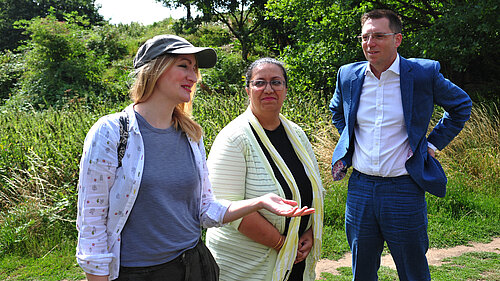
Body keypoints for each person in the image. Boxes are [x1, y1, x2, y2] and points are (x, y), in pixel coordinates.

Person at [75, 35, 315, 281]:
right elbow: (91, 224)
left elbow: (204, 210)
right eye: (183, 65)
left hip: (195, 265)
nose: (193, 76)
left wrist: (260, 202)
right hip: (139, 272)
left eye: (195, 68)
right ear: (154, 69)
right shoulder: (111, 132)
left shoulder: (191, 134)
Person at [329, 9, 472, 281]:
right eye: (365, 37)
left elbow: (461, 106)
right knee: (361, 272)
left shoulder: (422, 74)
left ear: (397, 39)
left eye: (379, 36)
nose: (370, 43)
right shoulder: (348, 75)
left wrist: (432, 144)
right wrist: (349, 139)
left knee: (413, 271)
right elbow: (337, 110)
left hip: (404, 188)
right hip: (360, 189)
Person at [205, 57, 324, 281]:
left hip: (295, 256)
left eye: (276, 82)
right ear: (248, 91)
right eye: (260, 82)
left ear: (286, 90)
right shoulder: (234, 139)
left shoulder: (297, 134)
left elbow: (311, 187)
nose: (268, 88)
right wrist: (282, 243)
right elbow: (225, 208)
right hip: (248, 264)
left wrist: (307, 231)